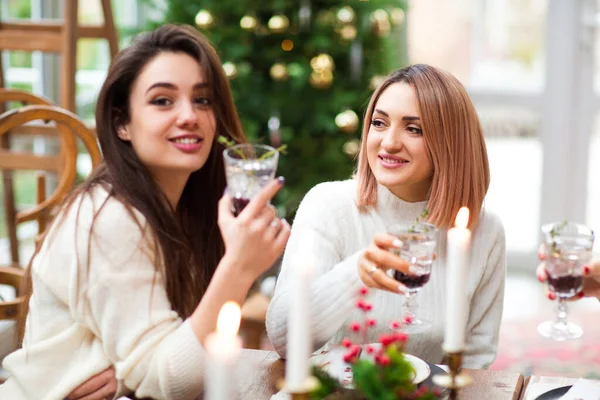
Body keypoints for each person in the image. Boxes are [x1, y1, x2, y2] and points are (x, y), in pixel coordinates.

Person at [0, 24, 290, 400]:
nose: (189, 115)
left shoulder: (187, 207)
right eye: (162, 101)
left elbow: (169, 354)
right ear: (122, 123)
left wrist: (127, 375)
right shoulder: (108, 217)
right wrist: (238, 267)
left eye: (202, 100)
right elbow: (170, 382)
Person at [266, 64, 506, 369]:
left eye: (413, 128)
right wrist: (356, 273)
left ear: (451, 144)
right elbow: (283, 339)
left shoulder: (484, 230)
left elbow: (475, 363)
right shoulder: (328, 205)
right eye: (379, 123)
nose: (389, 142)